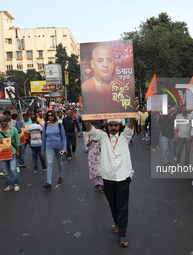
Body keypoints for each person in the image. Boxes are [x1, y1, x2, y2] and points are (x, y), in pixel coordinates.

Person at [84, 117, 135, 248]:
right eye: (111, 125)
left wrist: (132, 112)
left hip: (123, 177)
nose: (113, 127)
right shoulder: (102, 137)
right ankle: (117, 223)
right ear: (107, 126)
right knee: (113, 204)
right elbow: (89, 127)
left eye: (116, 125)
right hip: (108, 177)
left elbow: (131, 123)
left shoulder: (125, 136)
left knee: (122, 207)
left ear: (119, 126)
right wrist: (86, 116)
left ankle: (122, 235)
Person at [81, 46, 134, 114]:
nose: (105, 65)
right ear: (92, 64)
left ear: (113, 63)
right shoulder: (86, 87)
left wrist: (133, 106)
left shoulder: (122, 86)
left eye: (109, 60)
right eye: (100, 61)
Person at [0, 115, 20, 192]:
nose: (2, 123)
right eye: (1, 121)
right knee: (6, 171)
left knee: (13, 169)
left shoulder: (13, 130)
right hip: (3, 154)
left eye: (4, 121)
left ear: (7, 121)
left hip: (12, 152)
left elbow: (17, 141)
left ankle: (16, 184)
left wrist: (18, 151)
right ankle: (10, 184)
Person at [41, 110, 67, 190]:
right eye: (48, 115)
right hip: (49, 147)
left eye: (52, 115)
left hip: (59, 147)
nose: (50, 117)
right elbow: (44, 139)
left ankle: (60, 176)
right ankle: (48, 182)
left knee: (60, 162)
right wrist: (42, 150)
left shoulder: (59, 125)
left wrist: (65, 149)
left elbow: (63, 138)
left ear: (54, 116)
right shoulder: (45, 126)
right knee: (49, 163)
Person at [85, 120, 104, 192]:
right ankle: (97, 184)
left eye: (94, 126)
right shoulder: (88, 134)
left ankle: (102, 184)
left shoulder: (101, 132)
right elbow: (86, 144)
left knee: (100, 169)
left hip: (100, 153)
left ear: (96, 126)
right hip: (92, 154)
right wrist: (91, 141)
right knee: (93, 169)